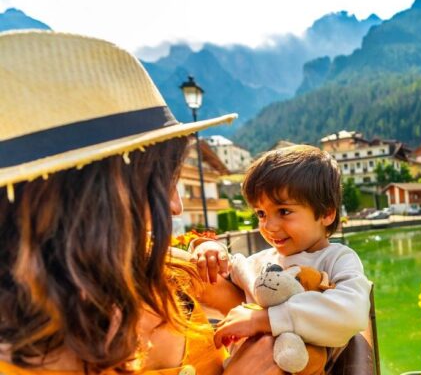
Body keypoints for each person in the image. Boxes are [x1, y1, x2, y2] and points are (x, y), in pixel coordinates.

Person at [0, 30, 250, 374]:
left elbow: (277, 310)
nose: (175, 207)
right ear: (89, 201)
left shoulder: (166, 270)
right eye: (156, 183)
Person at [194, 145, 371, 368]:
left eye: (284, 211)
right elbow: (224, 272)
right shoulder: (259, 263)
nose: (268, 225)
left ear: (327, 213)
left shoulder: (337, 259)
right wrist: (209, 247)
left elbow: (352, 312)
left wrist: (263, 320)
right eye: (261, 213)